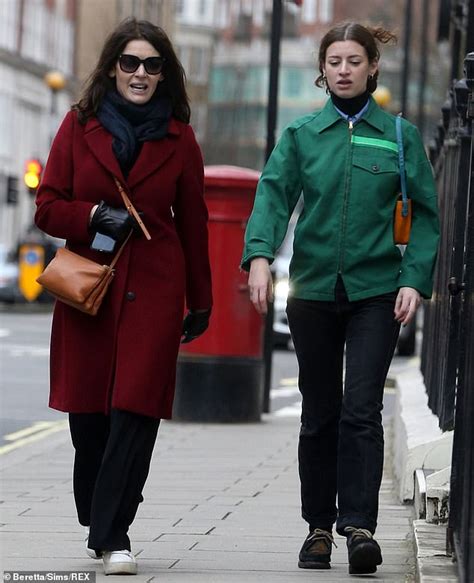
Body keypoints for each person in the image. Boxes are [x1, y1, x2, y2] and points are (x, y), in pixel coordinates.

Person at [241, 22, 439, 576]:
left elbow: (425, 214)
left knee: (362, 410)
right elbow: (274, 195)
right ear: (323, 70)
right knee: (319, 412)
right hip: (312, 292)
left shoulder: (399, 137)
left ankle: (360, 528)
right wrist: (260, 256)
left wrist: (413, 278)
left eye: (355, 60)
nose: (345, 69)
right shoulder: (302, 135)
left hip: (378, 292)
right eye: (335, 61)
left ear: (373, 67)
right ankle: (318, 529)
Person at [35, 18, 212, 576]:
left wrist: (200, 300)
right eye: (131, 63)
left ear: (165, 74)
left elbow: (195, 224)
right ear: (113, 67)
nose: (140, 73)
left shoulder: (180, 138)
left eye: (152, 64)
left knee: (136, 413)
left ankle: (116, 534)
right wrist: (90, 215)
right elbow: (47, 206)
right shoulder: (78, 124)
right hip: (89, 286)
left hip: (156, 288)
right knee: (89, 422)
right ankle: (98, 516)